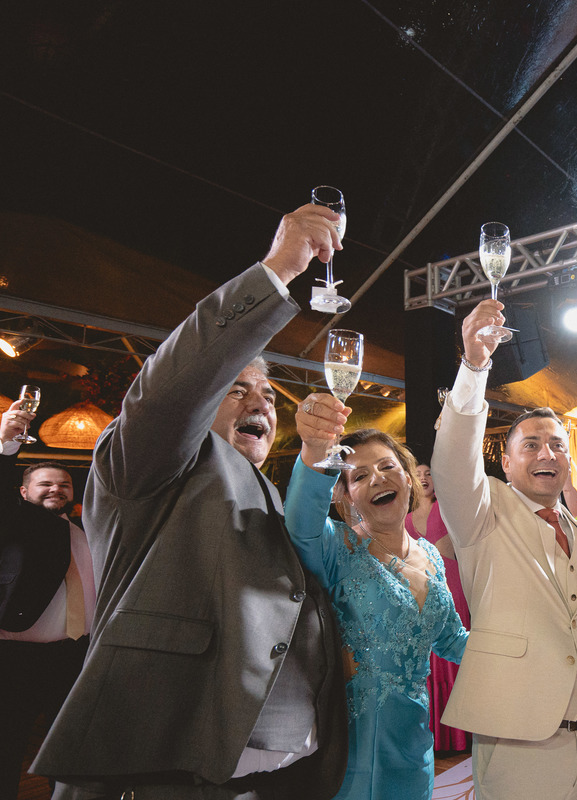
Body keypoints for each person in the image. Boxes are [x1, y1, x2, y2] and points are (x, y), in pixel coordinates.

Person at [32, 203, 350, 799]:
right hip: (161, 771)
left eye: (268, 395)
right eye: (236, 389)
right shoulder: (151, 465)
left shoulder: (271, 495)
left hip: (271, 778)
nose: (259, 403)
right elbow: (169, 392)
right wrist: (279, 270)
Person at [431, 298, 577, 800]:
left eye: (557, 444)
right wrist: (474, 366)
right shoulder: (483, 512)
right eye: (530, 445)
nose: (546, 452)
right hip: (516, 738)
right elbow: (452, 460)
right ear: (505, 464)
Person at [284, 423, 468, 800]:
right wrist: (315, 451)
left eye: (387, 467)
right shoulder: (338, 548)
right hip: (350, 755)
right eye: (360, 476)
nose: (377, 479)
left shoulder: (431, 556)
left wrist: (522, 648)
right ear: (347, 495)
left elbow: (452, 641)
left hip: (414, 750)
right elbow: (300, 525)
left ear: (407, 477)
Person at [1, 402, 96, 800]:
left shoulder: (86, 530)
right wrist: (6, 446)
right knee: (7, 745)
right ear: (24, 492)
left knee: (70, 748)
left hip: (75, 656)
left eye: (64, 484)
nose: (57, 489)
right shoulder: (15, 522)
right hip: (16, 658)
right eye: (45, 484)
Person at [404, 462, 472, 753]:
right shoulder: (405, 519)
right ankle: (439, 736)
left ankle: (465, 732)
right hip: (422, 591)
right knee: (431, 661)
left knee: (456, 655)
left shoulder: (447, 507)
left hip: (454, 585)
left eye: (429, 473)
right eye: (418, 474)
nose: (423, 478)